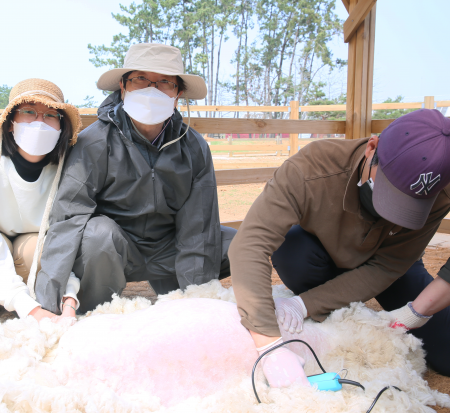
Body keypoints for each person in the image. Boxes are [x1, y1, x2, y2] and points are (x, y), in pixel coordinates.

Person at [228, 109, 450, 387]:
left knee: (446, 353)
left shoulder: (442, 187)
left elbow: (388, 266)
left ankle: (330, 307)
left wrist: (304, 303)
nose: (394, 212)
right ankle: (331, 315)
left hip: (390, 265)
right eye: (391, 188)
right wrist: (268, 346)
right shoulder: (311, 168)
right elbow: (250, 245)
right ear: (372, 148)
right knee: (292, 250)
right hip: (320, 257)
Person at [34, 43, 236, 313]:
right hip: (114, 251)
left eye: (164, 82)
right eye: (141, 79)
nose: (152, 89)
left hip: (168, 248)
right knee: (96, 234)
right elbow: (69, 218)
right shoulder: (94, 143)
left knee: (234, 243)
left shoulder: (194, 147)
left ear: (178, 94)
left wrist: (195, 300)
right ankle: (95, 310)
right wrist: (51, 299)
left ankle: (178, 297)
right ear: (123, 86)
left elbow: (198, 225)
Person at [0, 78, 82, 321]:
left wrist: (70, 297)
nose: (39, 122)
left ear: (61, 127)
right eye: (29, 112)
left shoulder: (68, 170)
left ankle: (28, 291)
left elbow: (66, 238)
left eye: (51, 115)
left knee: (40, 251)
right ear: (10, 122)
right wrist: (31, 311)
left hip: (35, 244)